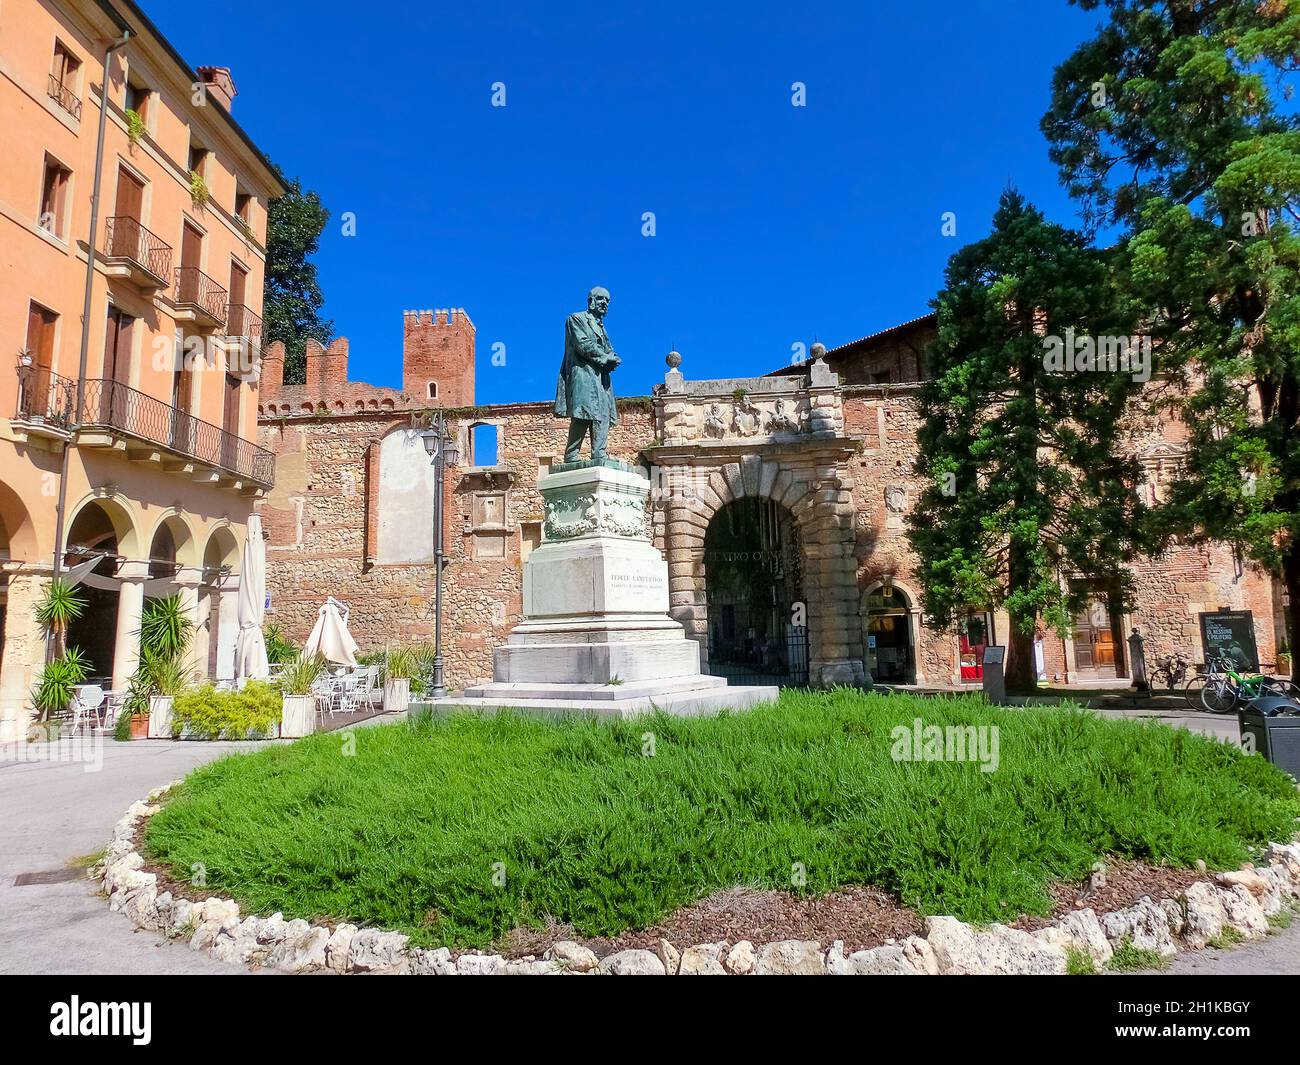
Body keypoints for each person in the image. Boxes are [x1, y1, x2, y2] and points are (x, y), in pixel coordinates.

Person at [555, 286, 620, 462]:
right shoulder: (576, 319)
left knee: (602, 413)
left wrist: (612, 357)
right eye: (601, 299)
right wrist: (606, 358)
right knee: (583, 413)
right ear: (591, 301)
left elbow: (609, 349)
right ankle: (572, 454)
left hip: (601, 378)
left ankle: (599, 453)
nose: (604, 303)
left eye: (607, 301)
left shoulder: (602, 328)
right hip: (584, 374)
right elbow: (582, 344)